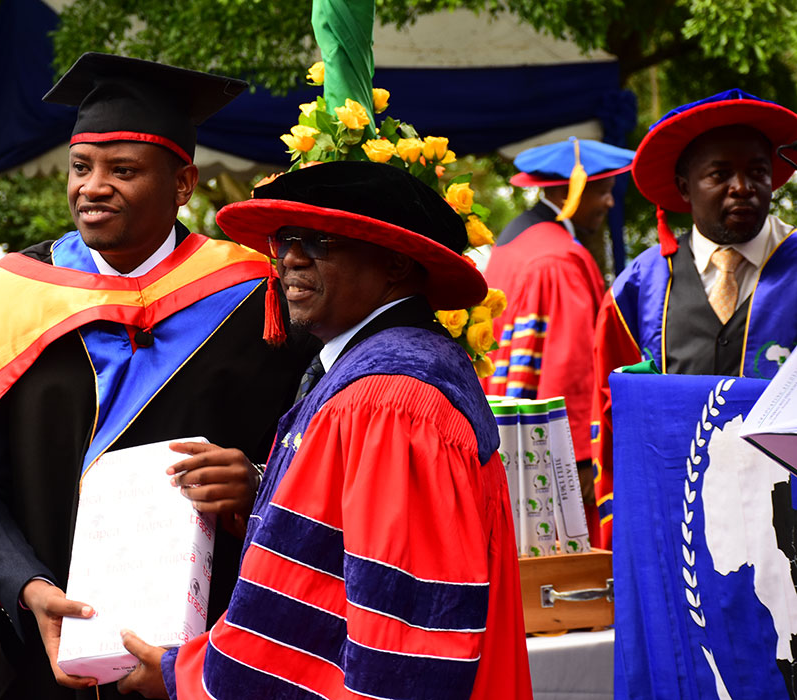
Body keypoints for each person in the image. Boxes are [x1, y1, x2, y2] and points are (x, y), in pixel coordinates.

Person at [0, 53, 314, 699]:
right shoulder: (11, 300)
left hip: (202, 654)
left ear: (183, 183)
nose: (93, 187)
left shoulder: (255, 301)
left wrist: (255, 481)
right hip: (53, 650)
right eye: (81, 167)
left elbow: (308, 461)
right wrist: (27, 587)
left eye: (124, 170)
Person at [115, 160, 533, 699]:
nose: (289, 258)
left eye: (318, 241)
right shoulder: (375, 374)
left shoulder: (389, 403)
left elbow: (398, 647)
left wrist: (185, 677)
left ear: (396, 262)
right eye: (284, 240)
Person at [592, 89, 797, 546]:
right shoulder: (640, 286)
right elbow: (611, 413)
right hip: (677, 521)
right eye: (720, 174)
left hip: (788, 529)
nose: (742, 187)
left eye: (758, 172)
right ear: (685, 188)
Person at [482, 137, 634, 546]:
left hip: (501, 434)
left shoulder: (510, 245)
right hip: (550, 455)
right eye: (602, 191)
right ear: (571, 193)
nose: (609, 202)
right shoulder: (559, 259)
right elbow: (572, 366)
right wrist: (581, 458)